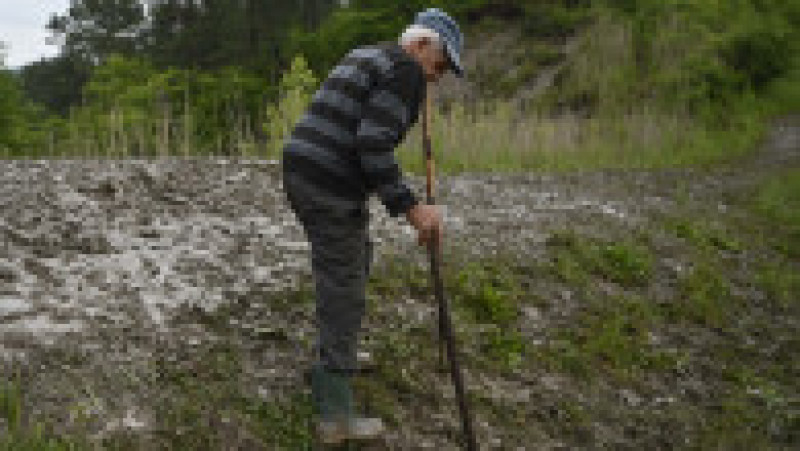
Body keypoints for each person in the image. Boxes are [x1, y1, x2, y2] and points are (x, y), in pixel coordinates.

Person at [281, 7, 465, 445]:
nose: (437, 77)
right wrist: (413, 210)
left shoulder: (368, 54)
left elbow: (361, 134)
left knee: (352, 260)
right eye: (440, 66)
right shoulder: (406, 71)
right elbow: (372, 144)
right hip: (328, 179)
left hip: (304, 169)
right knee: (344, 281)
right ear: (421, 45)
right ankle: (335, 413)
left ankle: (335, 357)